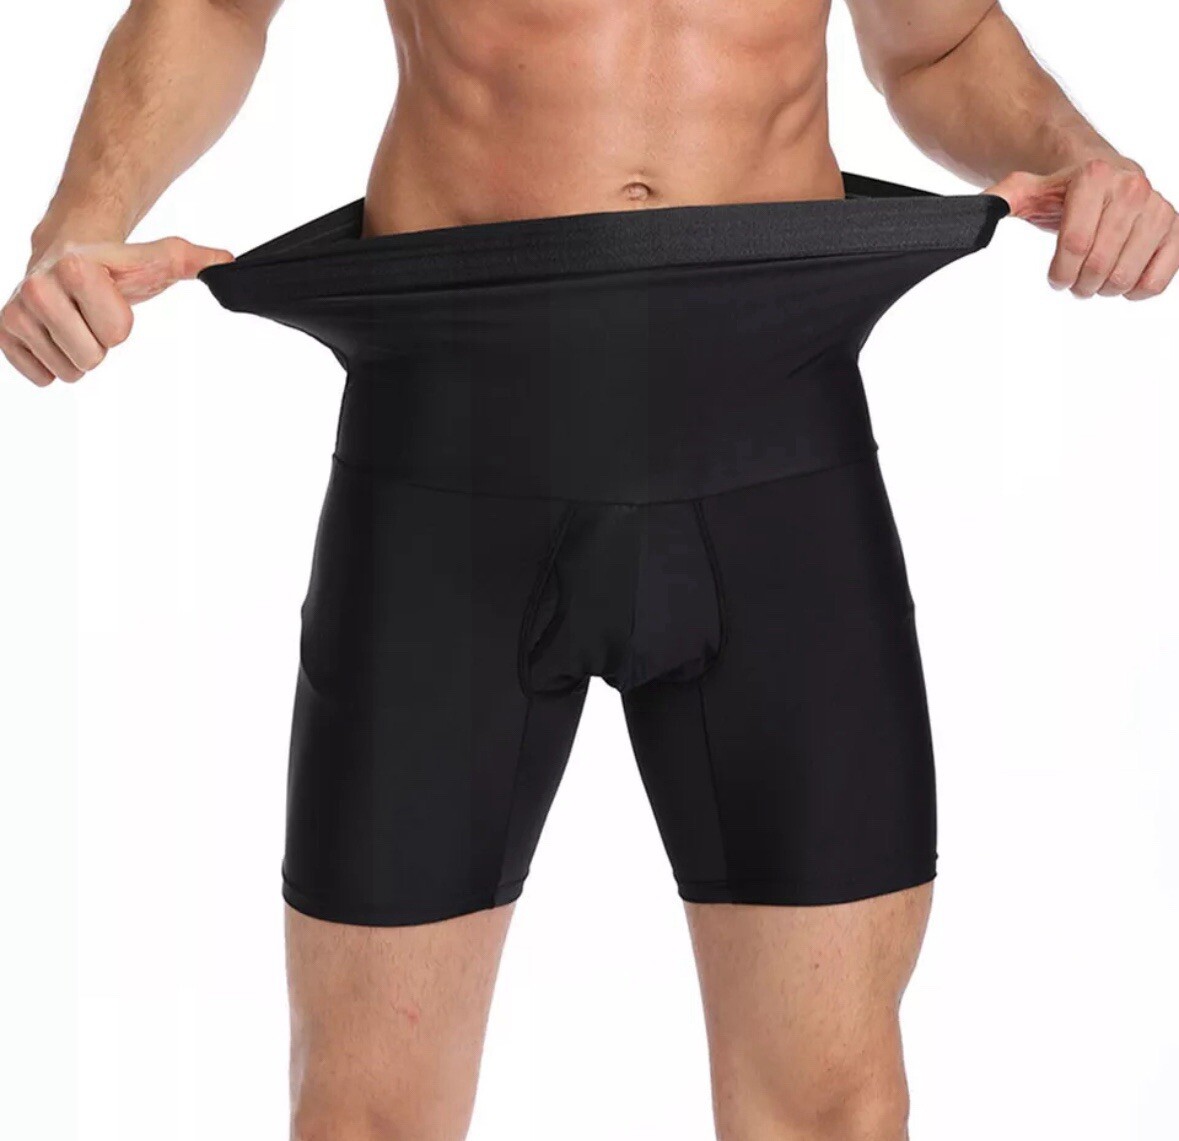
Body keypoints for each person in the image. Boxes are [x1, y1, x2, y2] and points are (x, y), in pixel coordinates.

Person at [2, 2, 1174, 1139]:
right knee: (367, 1119)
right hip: (451, 448)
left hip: (776, 439)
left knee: (829, 1114)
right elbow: (214, 6)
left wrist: (1084, 157)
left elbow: (941, 39)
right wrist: (81, 220)